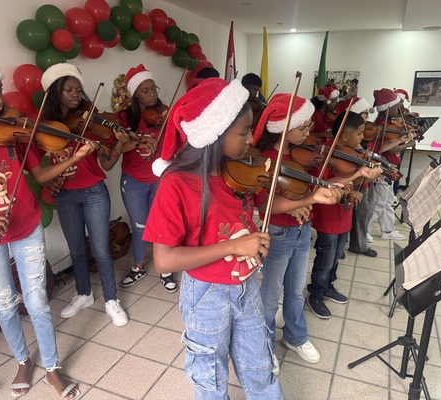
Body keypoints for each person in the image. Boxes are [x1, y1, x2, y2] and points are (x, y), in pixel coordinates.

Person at [143, 78, 342, 399]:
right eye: (244, 132)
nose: (252, 139)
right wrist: (235, 245)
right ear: (215, 133)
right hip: (206, 294)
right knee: (211, 378)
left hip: (246, 286)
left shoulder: (238, 171)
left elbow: (264, 204)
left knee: (260, 367)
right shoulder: (177, 183)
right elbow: (164, 259)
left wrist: (311, 198)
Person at [0, 49, 83, 399]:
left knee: (37, 301)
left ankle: (51, 368)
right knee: (4, 302)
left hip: (26, 226)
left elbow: (40, 174)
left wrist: (74, 158)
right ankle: (21, 360)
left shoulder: (15, 131)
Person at [40, 63, 129, 327]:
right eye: (69, 90)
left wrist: (120, 141)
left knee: (100, 249)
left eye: (79, 90)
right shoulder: (46, 126)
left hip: (93, 192)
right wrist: (50, 179)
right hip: (65, 195)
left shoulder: (90, 121)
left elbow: (107, 164)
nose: (76, 95)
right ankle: (84, 294)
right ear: (55, 92)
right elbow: (38, 165)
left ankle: (111, 300)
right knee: (77, 249)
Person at [253, 94, 325, 368]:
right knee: (271, 296)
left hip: (302, 231)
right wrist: (297, 204)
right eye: (303, 127)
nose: (308, 132)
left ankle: (295, 337)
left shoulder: (297, 155)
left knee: (295, 291)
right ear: (283, 128)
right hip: (278, 233)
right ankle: (265, 345)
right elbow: (263, 204)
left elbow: (303, 190)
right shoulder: (265, 159)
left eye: (308, 126)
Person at [308, 111, 383, 319]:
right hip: (329, 217)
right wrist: (357, 175)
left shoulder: (354, 154)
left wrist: (364, 179)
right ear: (344, 136)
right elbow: (328, 183)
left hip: (344, 214)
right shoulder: (327, 156)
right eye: (359, 134)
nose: (362, 137)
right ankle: (316, 293)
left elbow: (355, 182)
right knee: (325, 258)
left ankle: (328, 286)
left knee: (337, 255)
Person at [113, 64, 177, 293]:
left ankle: (165, 268)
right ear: (135, 95)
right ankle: (138, 266)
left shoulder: (164, 113)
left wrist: (172, 123)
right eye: (145, 91)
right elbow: (118, 149)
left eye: (153, 89)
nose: (152, 95)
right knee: (139, 225)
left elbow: (176, 141)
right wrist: (138, 140)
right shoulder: (124, 117)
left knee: (161, 223)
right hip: (133, 179)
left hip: (160, 177)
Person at [366, 88, 415, 242]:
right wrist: (401, 141)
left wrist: (402, 139)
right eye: (396, 107)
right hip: (382, 168)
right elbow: (381, 149)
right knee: (378, 201)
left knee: (387, 201)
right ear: (387, 108)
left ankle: (387, 230)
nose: (399, 109)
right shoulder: (380, 127)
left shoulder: (390, 124)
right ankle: (365, 230)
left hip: (390, 168)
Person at [335, 97, 378, 257]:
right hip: (351, 186)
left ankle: (347, 245)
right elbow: (344, 176)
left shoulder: (356, 145)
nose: (367, 117)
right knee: (354, 213)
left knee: (359, 213)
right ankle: (349, 246)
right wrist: (366, 174)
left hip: (360, 184)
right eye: (364, 113)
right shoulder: (342, 148)